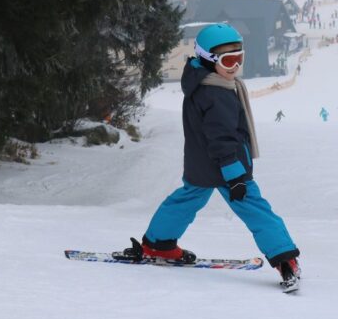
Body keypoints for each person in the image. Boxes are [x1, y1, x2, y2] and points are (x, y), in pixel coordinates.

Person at [119, 23, 300, 290]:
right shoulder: (217, 93)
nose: (235, 66)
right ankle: (285, 259)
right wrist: (235, 176)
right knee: (257, 211)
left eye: (239, 58)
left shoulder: (199, 81)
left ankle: (158, 244)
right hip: (228, 166)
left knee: (184, 201)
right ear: (208, 58)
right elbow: (222, 139)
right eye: (228, 60)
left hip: (201, 164)